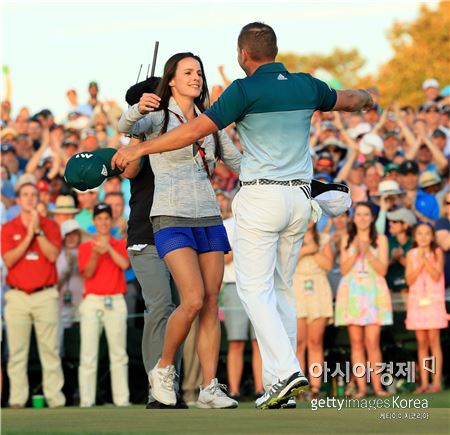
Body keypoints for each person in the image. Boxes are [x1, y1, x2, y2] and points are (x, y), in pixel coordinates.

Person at [112, 22, 373, 409]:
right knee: (279, 289)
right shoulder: (307, 84)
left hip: (261, 198)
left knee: (254, 290)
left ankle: (284, 374)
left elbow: (200, 134)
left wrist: (138, 152)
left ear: (243, 55)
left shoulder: (243, 90)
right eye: (189, 72)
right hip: (297, 199)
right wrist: (367, 97)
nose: (197, 78)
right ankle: (277, 384)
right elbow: (351, 99)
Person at [118, 52, 241, 409]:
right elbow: (126, 129)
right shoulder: (156, 116)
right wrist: (138, 108)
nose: (196, 77)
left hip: (209, 217)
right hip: (170, 216)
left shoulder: (209, 120)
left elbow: (238, 162)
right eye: (188, 72)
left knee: (210, 304)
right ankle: (164, 368)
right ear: (171, 79)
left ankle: (209, 387)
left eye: (199, 72)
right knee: (192, 299)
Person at [1, 182, 65, 408]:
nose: (29, 199)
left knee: (50, 351)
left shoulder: (51, 226)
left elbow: (52, 255)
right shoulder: (8, 227)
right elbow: (9, 259)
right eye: (25, 195)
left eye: (33, 195)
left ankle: (55, 399)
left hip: (45, 295)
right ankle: (17, 400)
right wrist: (29, 235)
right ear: (17, 200)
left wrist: (37, 231)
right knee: (17, 353)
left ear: (39, 199)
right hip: (17, 296)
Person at [335, 202, 393, 398]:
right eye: (358, 214)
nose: (362, 218)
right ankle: (361, 388)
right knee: (356, 343)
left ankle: (378, 387)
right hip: (352, 292)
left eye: (366, 214)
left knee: (373, 342)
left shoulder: (381, 239)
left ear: (372, 217)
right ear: (354, 217)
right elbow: (343, 269)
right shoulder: (346, 239)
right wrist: (357, 250)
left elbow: (383, 269)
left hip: (373, 291)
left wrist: (367, 250)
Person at [77, 203, 130, 408]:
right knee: (88, 354)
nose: (103, 222)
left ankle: (122, 400)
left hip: (115, 299)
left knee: (119, 354)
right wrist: (97, 253)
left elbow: (124, 265)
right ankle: (86, 400)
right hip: (92, 300)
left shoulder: (119, 243)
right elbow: (87, 272)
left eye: (106, 218)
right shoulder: (86, 246)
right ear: (94, 222)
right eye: (99, 219)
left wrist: (107, 247)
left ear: (111, 221)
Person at [220, 190, 264, 402]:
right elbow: (223, 258)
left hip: (258, 285)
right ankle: (234, 390)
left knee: (259, 341)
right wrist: (241, 249)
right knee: (236, 341)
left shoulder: (261, 225)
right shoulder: (228, 226)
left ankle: (261, 389)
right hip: (233, 285)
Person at [293, 219, 333, 400]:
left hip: (318, 288)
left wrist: (314, 248)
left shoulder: (324, 238)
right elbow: (286, 263)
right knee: (298, 342)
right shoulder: (290, 237)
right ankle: (299, 386)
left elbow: (328, 265)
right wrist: (305, 249)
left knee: (315, 342)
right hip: (297, 288)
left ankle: (315, 387)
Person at [405, 223, 447, 393]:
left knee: (434, 341)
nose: (423, 237)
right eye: (419, 233)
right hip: (417, 301)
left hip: (433, 301)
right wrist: (419, 263)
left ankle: (436, 382)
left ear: (432, 236)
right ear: (415, 237)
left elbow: (436, 275)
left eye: (427, 233)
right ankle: (424, 382)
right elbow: (409, 279)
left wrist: (425, 260)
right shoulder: (410, 254)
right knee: (422, 343)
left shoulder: (437, 253)